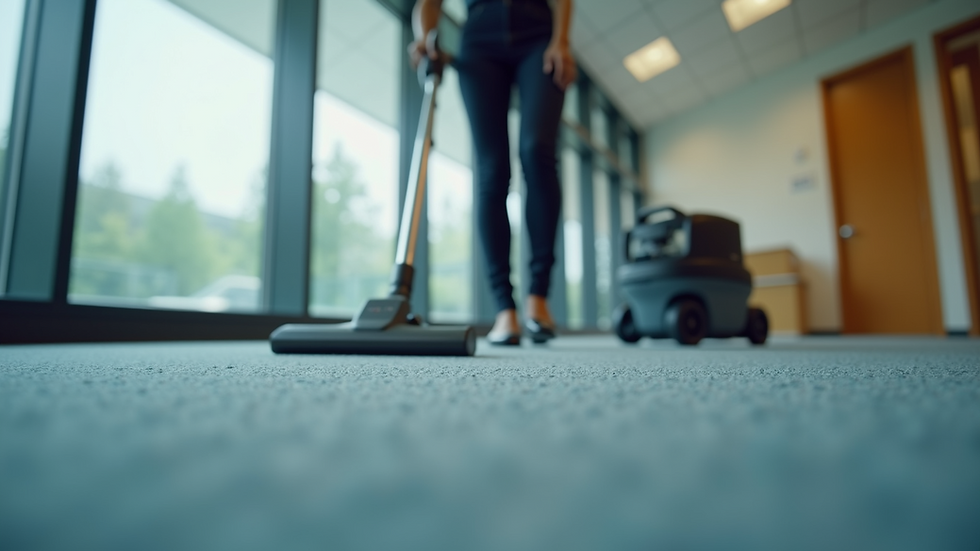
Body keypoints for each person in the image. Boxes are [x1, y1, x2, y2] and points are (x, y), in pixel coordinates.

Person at [410, 0, 576, 345]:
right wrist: (425, 37)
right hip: (480, 40)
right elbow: (429, 3)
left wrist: (561, 40)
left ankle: (539, 299)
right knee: (492, 169)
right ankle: (504, 309)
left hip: (539, 34)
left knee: (536, 151)